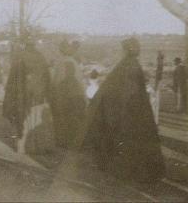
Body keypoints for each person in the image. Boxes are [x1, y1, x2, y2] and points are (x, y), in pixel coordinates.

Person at [80, 38, 165, 183]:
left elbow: (114, 89)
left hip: (127, 110)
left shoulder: (124, 65)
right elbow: (131, 91)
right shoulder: (132, 65)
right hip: (132, 111)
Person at [3, 33, 53, 154]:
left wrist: (10, 94)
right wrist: (46, 93)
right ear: (34, 45)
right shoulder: (41, 57)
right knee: (35, 119)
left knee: (21, 118)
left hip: (22, 95)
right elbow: (47, 78)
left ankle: (21, 146)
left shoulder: (19, 57)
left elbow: (12, 78)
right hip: (38, 95)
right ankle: (35, 146)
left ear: (25, 44)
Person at [51, 40, 86, 148]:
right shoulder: (74, 62)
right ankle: (74, 141)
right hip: (76, 94)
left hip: (65, 95)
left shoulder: (61, 62)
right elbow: (81, 81)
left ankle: (64, 141)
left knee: (64, 117)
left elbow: (56, 81)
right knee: (74, 119)